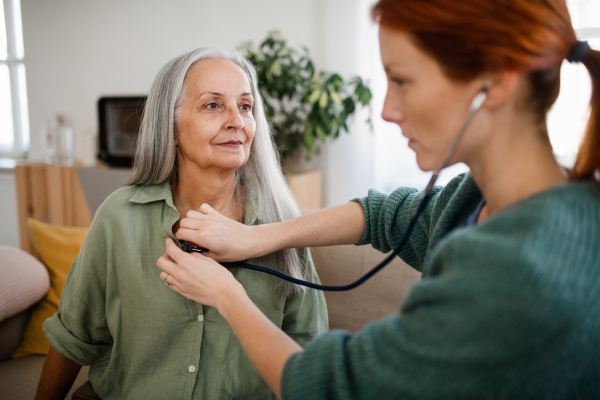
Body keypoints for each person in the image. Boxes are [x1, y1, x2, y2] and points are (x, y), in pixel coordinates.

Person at [156, 0, 600, 398]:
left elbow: (335, 387)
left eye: (402, 80)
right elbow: (382, 215)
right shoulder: (475, 200)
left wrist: (225, 294)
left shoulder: (516, 269)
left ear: (496, 80)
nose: (386, 109)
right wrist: (257, 239)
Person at [35, 47, 327, 400]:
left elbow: (310, 348)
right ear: (170, 128)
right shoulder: (119, 218)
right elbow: (73, 336)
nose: (237, 120)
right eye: (213, 105)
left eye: (246, 106)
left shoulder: (282, 227)